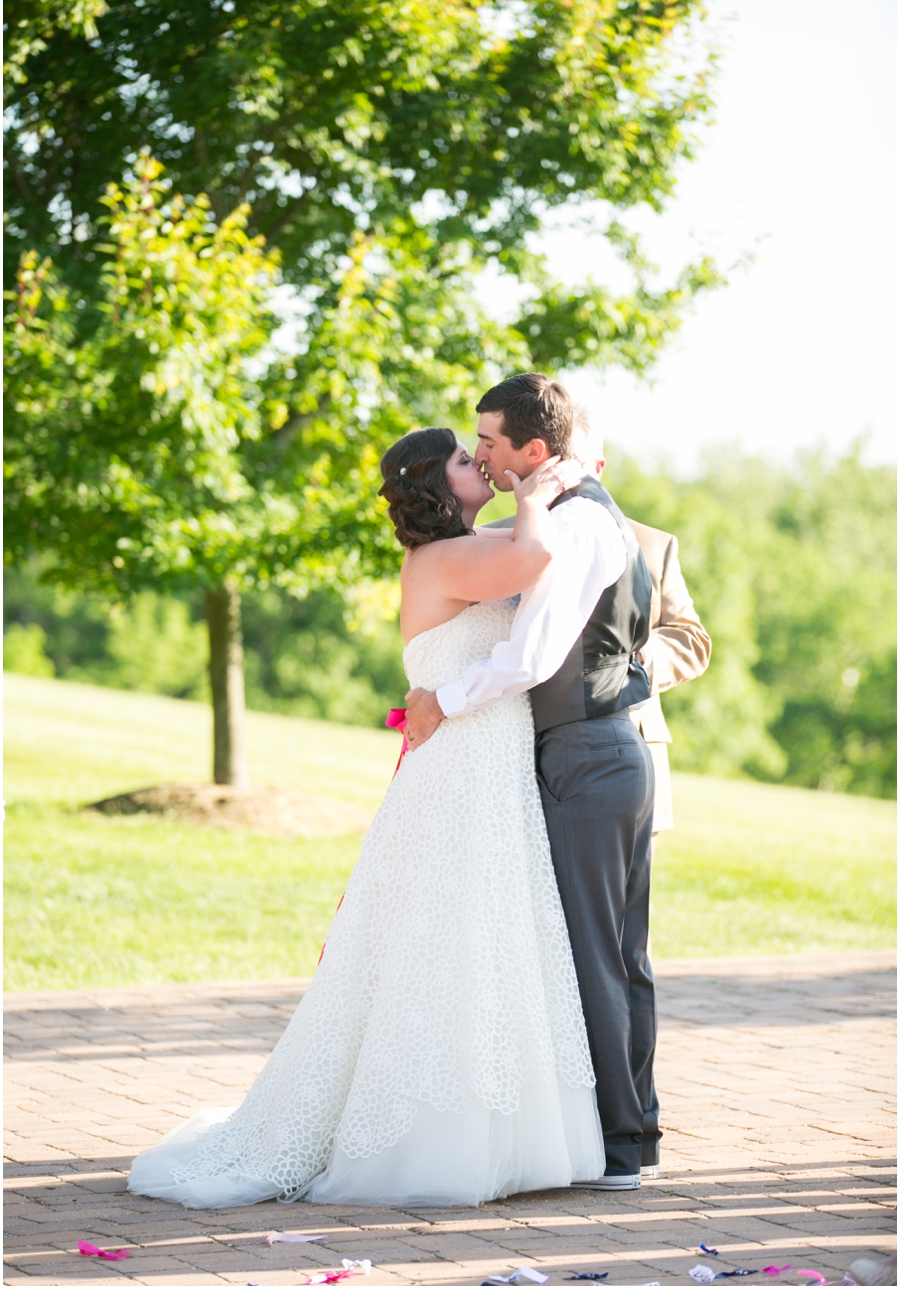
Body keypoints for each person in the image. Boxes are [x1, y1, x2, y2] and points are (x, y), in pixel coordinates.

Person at [128, 426, 605, 1209]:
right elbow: (533, 560)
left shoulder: (458, 548)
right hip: (462, 770)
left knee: (478, 936)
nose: (479, 462)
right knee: (450, 938)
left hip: (481, 766)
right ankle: (432, 1137)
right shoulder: (451, 558)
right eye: (463, 458)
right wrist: (546, 487)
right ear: (437, 486)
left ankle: (489, 1127)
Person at [405, 373, 659, 1189]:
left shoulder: (572, 526)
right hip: (604, 751)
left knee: (596, 954)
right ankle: (634, 1133)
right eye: (470, 449)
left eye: (489, 443)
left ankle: (620, 1145)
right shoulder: (579, 515)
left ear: (534, 451)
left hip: (587, 754)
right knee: (620, 953)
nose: (482, 454)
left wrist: (439, 700)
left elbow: (532, 656)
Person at [569, 405, 712, 848]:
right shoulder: (504, 537)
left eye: (576, 462)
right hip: (539, 750)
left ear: (598, 467)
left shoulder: (653, 546)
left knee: (626, 912)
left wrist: (643, 657)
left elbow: (692, 639)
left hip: (632, 744)